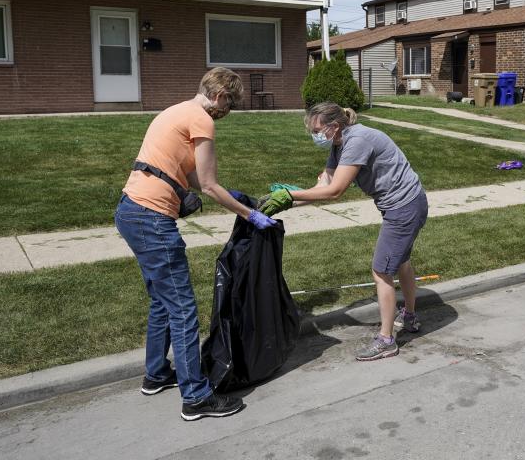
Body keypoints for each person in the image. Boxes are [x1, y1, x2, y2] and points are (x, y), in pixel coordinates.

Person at [114, 67, 276, 421]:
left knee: (162, 300)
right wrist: (250, 214)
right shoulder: (203, 119)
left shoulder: (175, 111)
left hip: (130, 211)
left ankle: (156, 374)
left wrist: (192, 190)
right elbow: (210, 185)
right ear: (219, 97)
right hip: (152, 219)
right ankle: (196, 397)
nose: (227, 112)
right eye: (230, 104)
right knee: (183, 308)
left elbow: (185, 173)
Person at [260, 102, 428, 362]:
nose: (314, 135)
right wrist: (288, 203)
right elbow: (324, 183)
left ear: (334, 126)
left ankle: (386, 340)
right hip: (405, 203)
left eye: (317, 130)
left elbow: (335, 191)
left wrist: (289, 194)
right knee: (400, 260)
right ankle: (410, 316)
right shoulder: (339, 144)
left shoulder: (357, 140)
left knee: (382, 270)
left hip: (404, 207)